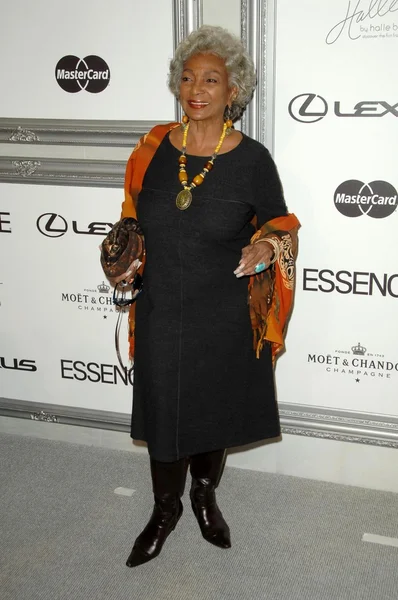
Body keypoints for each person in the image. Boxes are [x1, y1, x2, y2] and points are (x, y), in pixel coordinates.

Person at [112, 25, 299, 568]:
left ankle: (203, 495)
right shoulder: (150, 148)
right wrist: (123, 258)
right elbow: (130, 217)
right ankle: (164, 509)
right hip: (160, 304)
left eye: (211, 79)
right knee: (164, 408)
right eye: (188, 77)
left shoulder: (253, 159)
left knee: (211, 409)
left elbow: (280, 224)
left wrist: (265, 247)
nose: (196, 88)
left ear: (232, 89)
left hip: (223, 311)